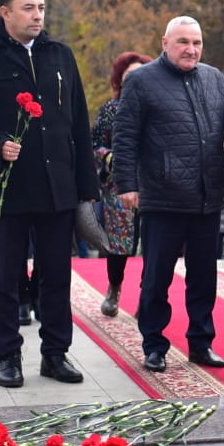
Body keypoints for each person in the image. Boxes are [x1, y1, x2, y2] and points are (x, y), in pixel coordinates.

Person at [111, 16, 224, 374]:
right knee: (156, 279)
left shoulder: (213, 77)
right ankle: (154, 346)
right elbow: (124, 136)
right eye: (183, 42)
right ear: (165, 43)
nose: (191, 49)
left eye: (197, 42)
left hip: (207, 196)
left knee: (204, 279)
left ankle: (201, 343)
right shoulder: (141, 81)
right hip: (162, 198)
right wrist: (126, 184)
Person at [0, 0, 99, 388]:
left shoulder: (60, 56)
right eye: (28, 8)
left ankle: (55, 354)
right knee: (4, 275)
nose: (38, 15)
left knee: (56, 275)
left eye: (41, 8)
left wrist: (85, 188)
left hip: (57, 188)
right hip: (7, 188)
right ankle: (8, 356)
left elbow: (78, 126)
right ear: (6, 13)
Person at [90, 50, 152, 314]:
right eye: (129, 76)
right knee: (120, 243)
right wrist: (110, 157)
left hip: (154, 184)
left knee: (154, 244)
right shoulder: (110, 109)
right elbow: (95, 145)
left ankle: (147, 296)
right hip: (118, 184)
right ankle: (114, 287)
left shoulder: (158, 107)